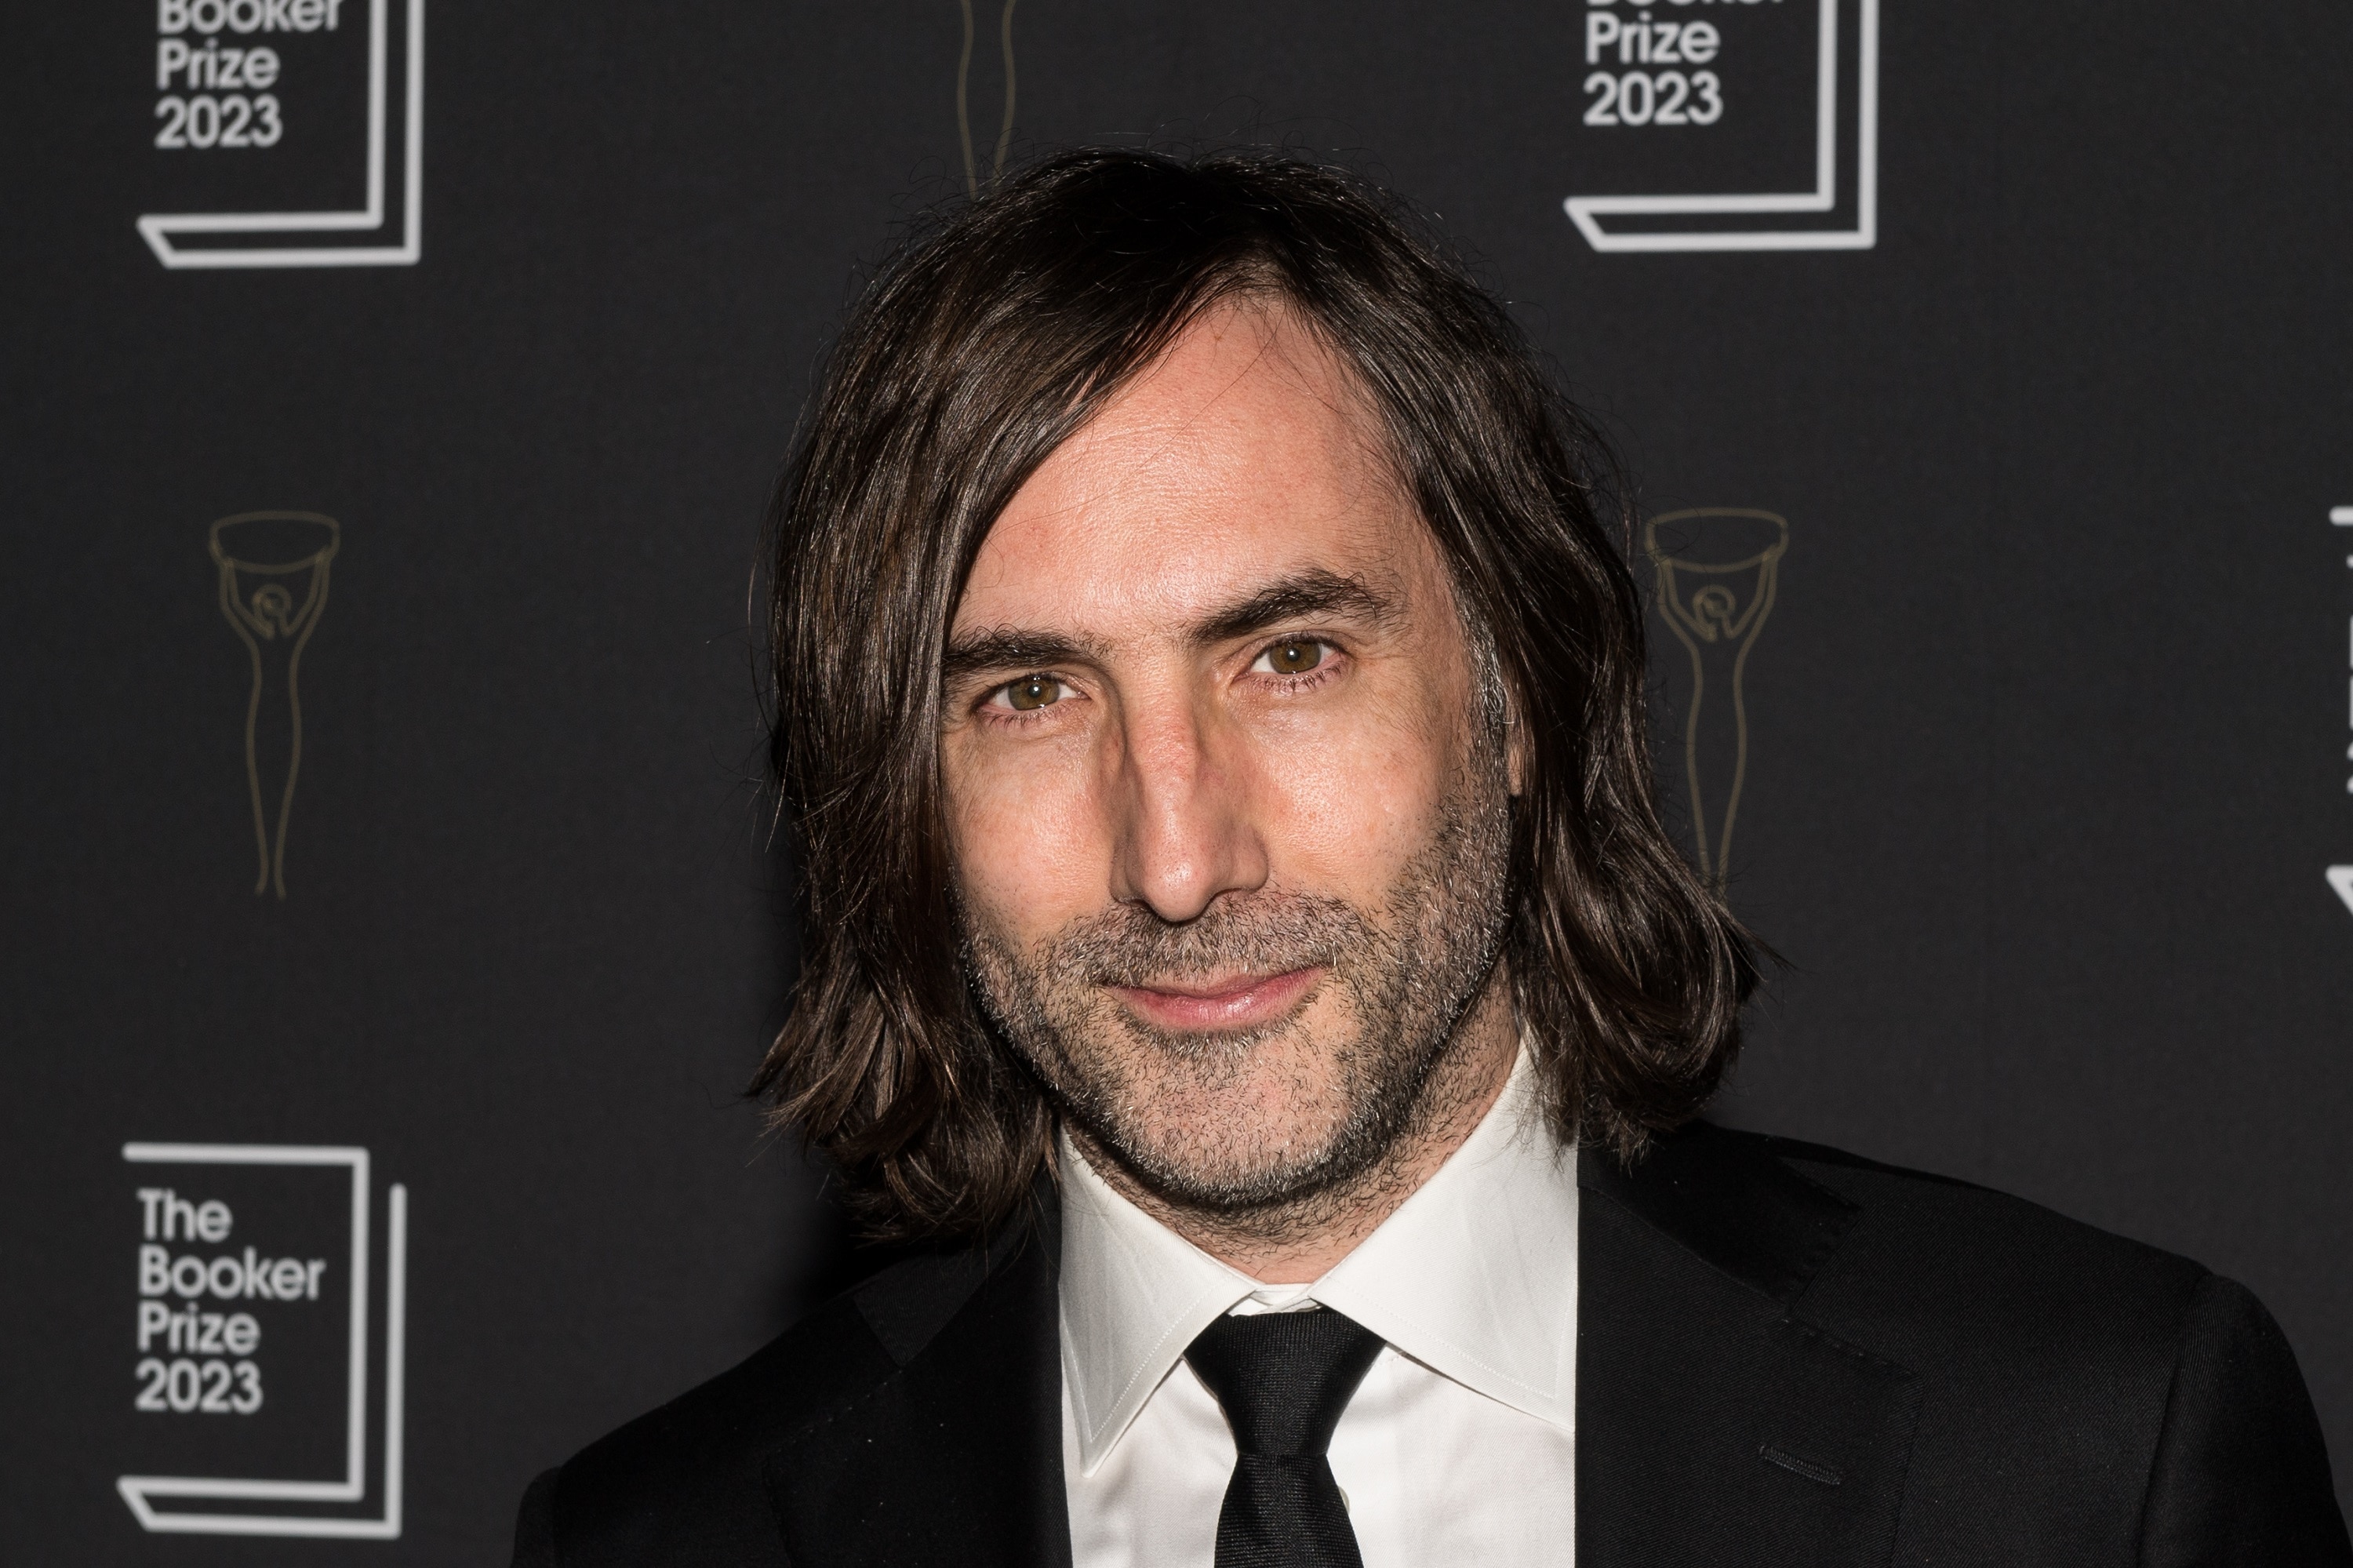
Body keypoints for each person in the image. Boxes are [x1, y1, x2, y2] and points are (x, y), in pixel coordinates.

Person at [511, 149, 2348, 1567]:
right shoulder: (666, 1539)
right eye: (1031, 696)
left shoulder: (2088, 1452)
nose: (1176, 856)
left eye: (1290, 657)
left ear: (1517, 689)